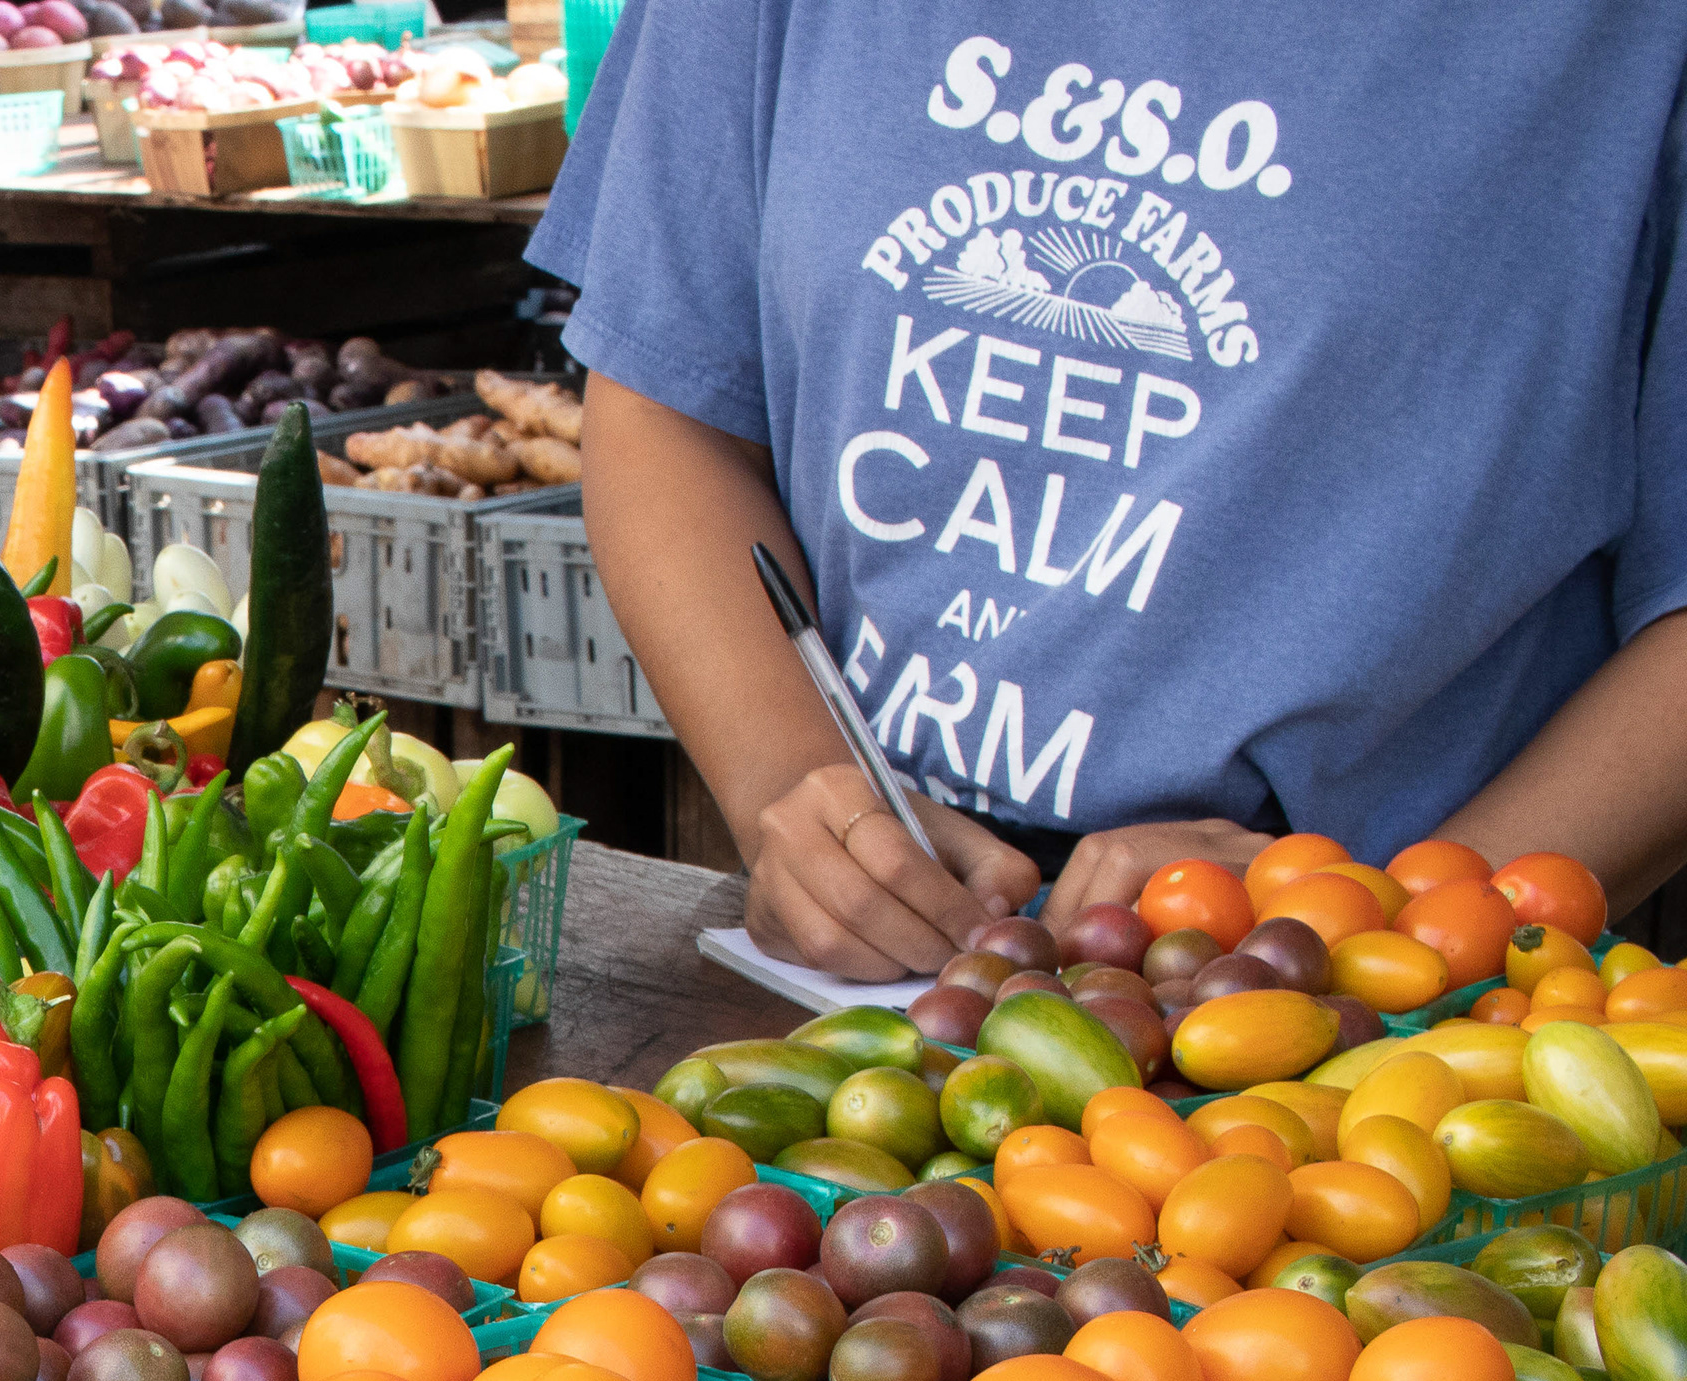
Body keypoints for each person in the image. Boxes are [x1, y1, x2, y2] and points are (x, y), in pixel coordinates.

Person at [530, 9, 1687, 979]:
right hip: (869, 983)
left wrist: (1367, 929)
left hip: (1394, 1049)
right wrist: (796, 791)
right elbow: (672, 396)